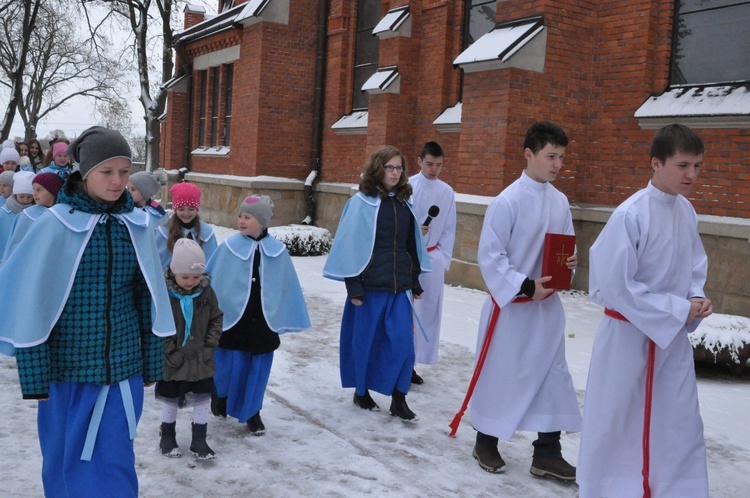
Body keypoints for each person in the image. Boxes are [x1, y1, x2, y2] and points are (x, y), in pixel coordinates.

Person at [0, 126, 175, 497]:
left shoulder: (136, 225)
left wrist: (151, 360)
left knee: (115, 459)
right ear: (85, 171)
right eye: (106, 172)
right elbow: (34, 303)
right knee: (67, 460)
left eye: (124, 172)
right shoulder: (55, 224)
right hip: (68, 373)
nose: (117, 181)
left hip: (123, 369)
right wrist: (33, 376)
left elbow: (148, 297)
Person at [577, 124, 712, 497]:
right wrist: (676, 308)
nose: (691, 175)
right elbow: (615, 284)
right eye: (683, 165)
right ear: (656, 163)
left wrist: (695, 299)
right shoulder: (630, 214)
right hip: (627, 338)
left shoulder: (686, 212)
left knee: (678, 421)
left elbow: (694, 265)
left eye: (698, 166)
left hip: (670, 341)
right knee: (619, 418)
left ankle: (676, 488)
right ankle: (612, 488)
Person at [469, 121, 580, 480]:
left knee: (553, 377)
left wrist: (568, 265)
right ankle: (486, 440)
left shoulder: (560, 201)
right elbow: (490, 255)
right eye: (551, 156)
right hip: (512, 310)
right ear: (529, 154)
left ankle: (547, 451)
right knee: (503, 374)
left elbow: (564, 247)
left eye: (562, 157)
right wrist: (525, 286)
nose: (558, 164)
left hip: (546, 310)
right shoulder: (507, 200)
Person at [323, 146, 431, 422]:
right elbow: (349, 246)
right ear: (378, 169)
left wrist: (415, 280)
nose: (395, 173)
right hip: (368, 289)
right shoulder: (361, 203)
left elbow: (411, 246)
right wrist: (354, 286)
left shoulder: (405, 204)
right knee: (365, 343)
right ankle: (361, 392)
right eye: (389, 167)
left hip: (398, 289)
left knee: (403, 345)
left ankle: (399, 398)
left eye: (398, 168)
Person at [207, 195, 311, 434]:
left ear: (262, 222)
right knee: (227, 362)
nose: (241, 221)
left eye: (248, 217)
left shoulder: (277, 251)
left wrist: (285, 313)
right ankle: (220, 396)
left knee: (258, 366)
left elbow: (288, 286)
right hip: (234, 318)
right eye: (240, 216)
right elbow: (214, 278)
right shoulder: (229, 247)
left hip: (263, 320)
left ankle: (253, 412)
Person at [156, 238, 223, 460]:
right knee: (170, 399)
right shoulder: (166, 295)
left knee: (203, 399)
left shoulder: (206, 293)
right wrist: (170, 352)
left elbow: (216, 319)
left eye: (196, 277)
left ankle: (199, 440)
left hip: (200, 359)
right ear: (174, 272)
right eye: (185, 276)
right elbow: (159, 324)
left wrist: (209, 346)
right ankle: (167, 436)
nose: (191, 282)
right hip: (174, 360)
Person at [408, 141, 456, 384]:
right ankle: (403, 362)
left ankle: (414, 363)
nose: (434, 169)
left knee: (426, 313)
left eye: (438, 165)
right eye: (429, 164)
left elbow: (449, 227)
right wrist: (415, 231)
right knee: (407, 314)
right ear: (419, 161)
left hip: (432, 257)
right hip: (409, 258)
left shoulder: (446, 192)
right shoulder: (408, 186)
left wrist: (441, 258)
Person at [3, 173, 64, 261]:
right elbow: (14, 247)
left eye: (39, 190)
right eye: (33, 189)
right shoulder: (27, 215)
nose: (34, 194)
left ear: (53, 191)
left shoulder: (63, 214)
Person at [156, 182, 217, 269]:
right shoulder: (164, 232)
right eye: (181, 209)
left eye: (191, 209)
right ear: (175, 209)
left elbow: (212, 263)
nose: (186, 213)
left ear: (197, 209)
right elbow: (158, 262)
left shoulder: (206, 233)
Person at [0, 170, 35, 258]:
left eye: (29, 197)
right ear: (15, 195)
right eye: (21, 196)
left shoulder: (37, 213)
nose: (25, 200)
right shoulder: (3, 213)